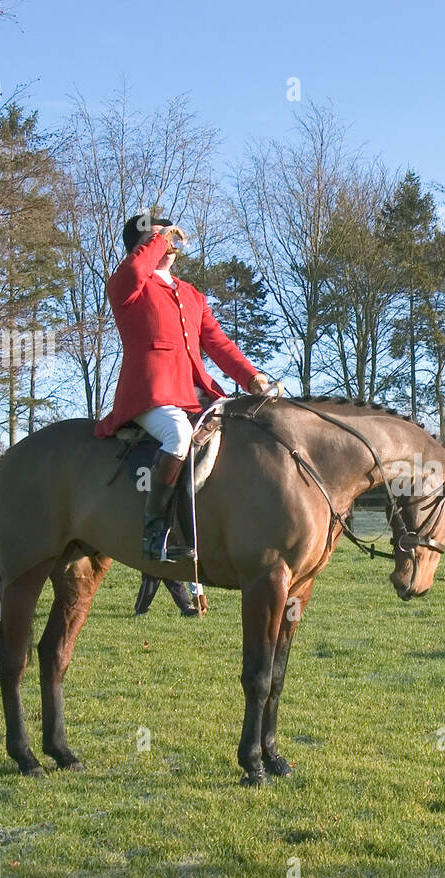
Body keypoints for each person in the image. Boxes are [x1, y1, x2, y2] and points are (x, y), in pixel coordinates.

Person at [94, 214, 278, 563]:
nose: (168, 242)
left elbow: (218, 343)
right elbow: (135, 271)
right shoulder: (127, 284)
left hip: (195, 392)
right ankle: (154, 531)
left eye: (169, 236)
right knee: (178, 437)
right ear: (139, 246)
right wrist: (160, 238)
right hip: (150, 392)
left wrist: (252, 378)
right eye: (157, 237)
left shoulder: (191, 294)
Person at [134, 573, 201, 617]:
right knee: (151, 581)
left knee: (174, 578)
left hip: (170, 555)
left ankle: (186, 608)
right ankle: (141, 610)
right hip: (153, 556)